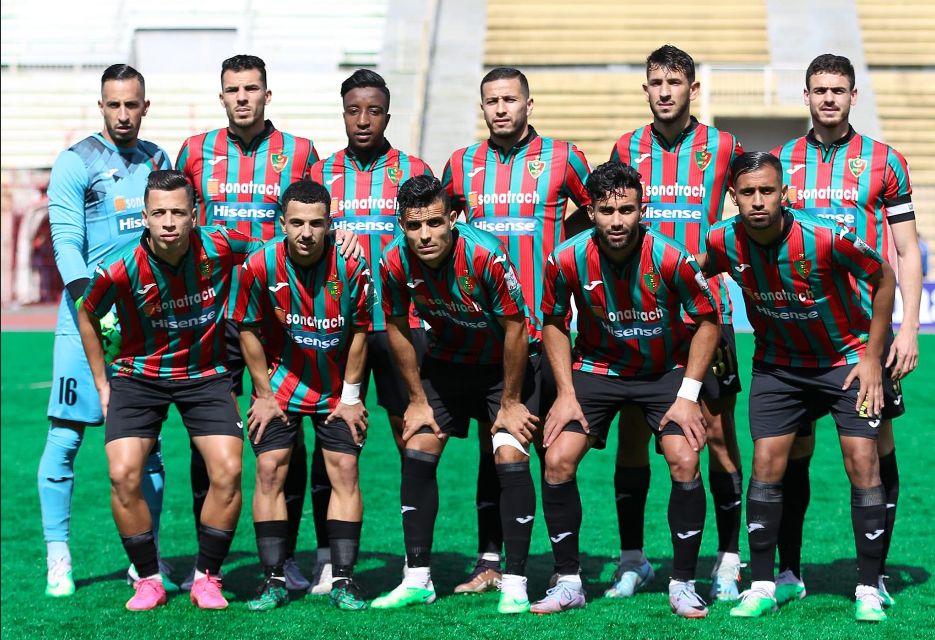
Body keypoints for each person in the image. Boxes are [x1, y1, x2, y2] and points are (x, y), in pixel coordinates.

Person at [697, 151, 896, 622]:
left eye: (767, 191)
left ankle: (870, 586)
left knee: (862, 460)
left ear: (784, 193)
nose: (758, 201)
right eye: (748, 192)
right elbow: (692, 275)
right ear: (733, 197)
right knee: (766, 463)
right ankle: (764, 584)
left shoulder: (824, 236)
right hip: (778, 366)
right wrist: (704, 325)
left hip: (845, 360)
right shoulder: (722, 239)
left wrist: (872, 357)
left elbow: (883, 278)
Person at [533, 160, 719, 618]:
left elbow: (708, 321)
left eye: (626, 210)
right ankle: (569, 581)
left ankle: (683, 583)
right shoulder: (567, 257)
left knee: (684, 459)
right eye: (606, 210)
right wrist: (566, 393)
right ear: (590, 212)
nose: (617, 221)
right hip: (597, 369)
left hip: (664, 371)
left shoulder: (671, 257)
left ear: (642, 209)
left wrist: (687, 395)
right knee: (557, 460)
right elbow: (554, 321)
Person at [771, 53, 920, 607]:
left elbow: (906, 250)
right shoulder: (782, 161)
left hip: (864, 338)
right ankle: (789, 571)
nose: (828, 98)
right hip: (797, 336)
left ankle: (872, 576)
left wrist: (908, 328)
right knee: (793, 450)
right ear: (806, 96)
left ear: (854, 96)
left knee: (875, 447)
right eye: (819, 90)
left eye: (838, 90)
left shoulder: (885, 161)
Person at [77, 170, 263, 610]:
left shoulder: (221, 245)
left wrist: (339, 240)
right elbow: (86, 313)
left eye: (178, 212)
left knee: (228, 470)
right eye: (159, 213)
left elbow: (272, 250)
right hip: (138, 377)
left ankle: (207, 577)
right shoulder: (120, 267)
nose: (168, 222)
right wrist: (102, 383)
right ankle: (148, 579)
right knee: (122, 473)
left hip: (205, 374)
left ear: (194, 215)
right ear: (144, 216)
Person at [176, 54, 322, 592]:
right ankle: (207, 563)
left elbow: (316, 218)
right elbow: (176, 222)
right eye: (233, 89)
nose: (242, 98)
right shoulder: (195, 150)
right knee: (208, 436)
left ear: (267, 94)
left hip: (280, 317)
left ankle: (285, 558)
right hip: (211, 315)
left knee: (288, 435)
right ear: (221, 96)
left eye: (251, 88)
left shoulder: (300, 152)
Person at [441, 66, 590, 592]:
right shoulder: (461, 164)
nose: (501, 108)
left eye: (510, 99)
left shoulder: (564, 157)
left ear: (529, 104)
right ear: (482, 107)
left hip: (547, 331)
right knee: (495, 449)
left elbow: (597, 212)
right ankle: (490, 560)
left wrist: (560, 239)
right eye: (492, 101)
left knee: (555, 451)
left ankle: (563, 566)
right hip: (488, 337)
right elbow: (440, 223)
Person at [608, 44, 745, 601]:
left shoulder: (724, 146)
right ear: (646, 89)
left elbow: (753, 208)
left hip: (706, 313)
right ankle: (633, 559)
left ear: (693, 88)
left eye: (675, 82)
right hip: (638, 316)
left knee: (717, 434)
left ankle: (729, 559)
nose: (665, 92)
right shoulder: (626, 147)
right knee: (633, 433)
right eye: (656, 82)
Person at [372, 175, 540, 614]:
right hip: (448, 361)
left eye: (434, 222)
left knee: (509, 453)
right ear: (402, 226)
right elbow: (396, 326)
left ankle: (515, 582)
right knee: (418, 448)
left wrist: (510, 402)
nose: (425, 235)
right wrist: (416, 399)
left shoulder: (485, 254)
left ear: (453, 218)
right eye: (414, 226)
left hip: (504, 365)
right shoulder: (393, 261)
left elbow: (516, 328)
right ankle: (417, 579)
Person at [40, 63, 171, 597]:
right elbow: (65, 242)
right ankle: (58, 556)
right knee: (66, 438)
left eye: (131, 104)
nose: (122, 114)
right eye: (113, 104)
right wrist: (92, 306)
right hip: (85, 322)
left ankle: (146, 559)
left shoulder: (158, 161)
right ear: (101, 106)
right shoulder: (76, 162)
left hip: (143, 329)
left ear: (144, 106)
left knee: (149, 446)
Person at [230, 179, 373, 611]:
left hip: (335, 389)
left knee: (344, 469)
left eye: (315, 223)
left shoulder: (353, 265)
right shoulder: (259, 264)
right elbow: (248, 328)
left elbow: (361, 332)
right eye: (296, 223)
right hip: (281, 385)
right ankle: (273, 579)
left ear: (330, 224)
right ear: (282, 223)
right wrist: (263, 394)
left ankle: (344, 579)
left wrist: (352, 397)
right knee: (269, 469)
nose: (306, 233)